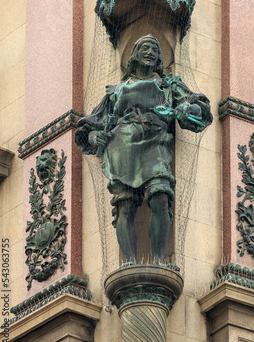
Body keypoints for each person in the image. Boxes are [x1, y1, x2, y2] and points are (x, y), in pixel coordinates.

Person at [75, 35, 213, 264]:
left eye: (155, 50)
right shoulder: (116, 91)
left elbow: (201, 108)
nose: (150, 52)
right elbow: (88, 126)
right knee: (124, 204)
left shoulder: (169, 85)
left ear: (159, 58)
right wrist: (95, 135)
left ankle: (159, 260)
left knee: (160, 196)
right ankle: (128, 261)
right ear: (135, 54)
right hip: (121, 147)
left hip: (155, 144)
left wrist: (187, 108)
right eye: (145, 48)